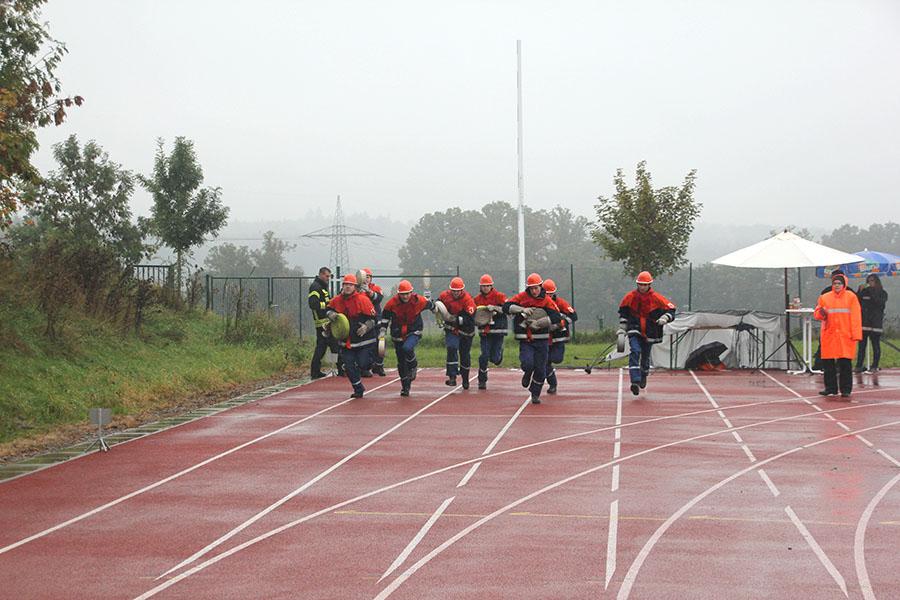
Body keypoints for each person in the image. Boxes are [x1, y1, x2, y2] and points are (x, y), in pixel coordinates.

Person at [503, 273, 562, 404]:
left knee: (541, 369)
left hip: (542, 339)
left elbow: (556, 317)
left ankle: (535, 393)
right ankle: (527, 373)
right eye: (531, 288)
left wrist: (539, 323)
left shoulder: (547, 300)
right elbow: (506, 307)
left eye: (536, 288)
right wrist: (521, 309)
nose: (534, 291)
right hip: (526, 339)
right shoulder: (522, 297)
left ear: (541, 286)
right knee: (527, 363)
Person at [618, 271, 676, 396]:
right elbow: (623, 312)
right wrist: (622, 328)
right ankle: (635, 381)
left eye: (645, 284)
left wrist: (665, 318)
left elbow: (671, 310)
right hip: (634, 328)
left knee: (645, 357)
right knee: (635, 351)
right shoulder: (630, 297)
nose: (642, 287)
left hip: (650, 331)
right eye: (640, 284)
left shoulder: (657, 298)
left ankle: (643, 374)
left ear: (649, 284)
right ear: (637, 284)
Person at [326, 273, 377, 398]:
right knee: (348, 366)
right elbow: (327, 309)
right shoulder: (337, 300)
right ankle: (358, 388)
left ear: (355, 287)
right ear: (342, 286)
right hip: (346, 341)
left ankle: (373, 362)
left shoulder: (363, 300)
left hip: (363, 341)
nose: (348, 287)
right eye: (345, 284)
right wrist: (330, 314)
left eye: (350, 285)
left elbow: (374, 318)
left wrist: (366, 326)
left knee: (362, 364)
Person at [380, 279, 435, 396]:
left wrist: (438, 311)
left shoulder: (419, 300)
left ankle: (413, 365)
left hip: (414, 330)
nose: (405, 296)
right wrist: (383, 331)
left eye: (407, 293)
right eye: (403, 294)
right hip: (397, 333)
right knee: (401, 362)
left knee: (407, 348)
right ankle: (405, 386)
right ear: (398, 294)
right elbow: (385, 318)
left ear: (411, 292)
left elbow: (431, 305)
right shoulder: (391, 304)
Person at [814, 272, 862, 397]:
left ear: (844, 284)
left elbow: (856, 317)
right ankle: (830, 388)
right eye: (834, 283)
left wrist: (856, 335)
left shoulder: (851, 297)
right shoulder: (824, 297)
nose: (836, 285)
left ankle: (846, 389)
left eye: (839, 283)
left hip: (845, 335)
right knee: (828, 363)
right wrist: (821, 313)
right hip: (829, 335)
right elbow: (817, 314)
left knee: (845, 363)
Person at [438, 277, 476, 388]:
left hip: (466, 331)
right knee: (451, 347)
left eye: (458, 291)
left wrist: (456, 319)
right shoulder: (444, 296)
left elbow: (470, 319)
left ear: (462, 290)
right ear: (450, 290)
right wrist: (437, 310)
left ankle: (465, 379)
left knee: (464, 355)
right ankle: (452, 377)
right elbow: (438, 303)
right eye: (453, 291)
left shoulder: (468, 300)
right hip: (451, 329)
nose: (455, 293)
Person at [542, 278, 577, 395]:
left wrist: (562, 322)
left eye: (550, 294)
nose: (548, 296)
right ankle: (552, 384)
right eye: (546, 294)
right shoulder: (539, 303)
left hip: (558, 337)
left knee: (557, 358)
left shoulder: (561, 303)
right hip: (544, 337)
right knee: (544, 362)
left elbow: (573, 316)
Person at [473, 274, 508, 390]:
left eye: (487, 286)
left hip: (498, 331)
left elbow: (507, 308)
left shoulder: (499, 296)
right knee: (484, 356)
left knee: (495, 359)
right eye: (483, 286)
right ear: (480, 287)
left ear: (491, 286)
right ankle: (482, 380)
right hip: (485, 332)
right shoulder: (477, 299)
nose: (485, 288)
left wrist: (496, 308)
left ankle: (499, 355)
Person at [308, 266, 343, 379]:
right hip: (322, 323)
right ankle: (340, 369)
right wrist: (327, 305)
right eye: (327, 276)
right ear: (321, 274)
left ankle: (316, 371)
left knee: (326, 347)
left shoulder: (322, 286)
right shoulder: (315, 287)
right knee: (331, 346)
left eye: (329, 276)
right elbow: (313, 304)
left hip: (327, 322)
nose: (328, 278)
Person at [856, 274, 888, 372]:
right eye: (868, 281)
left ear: (877, 281)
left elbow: (879, 303)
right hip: (864, 323)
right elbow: (856, 302)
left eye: (872, 280)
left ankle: (874, 365)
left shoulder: (882, 293)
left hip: (875, 323)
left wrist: (872, 292)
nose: (870, 283)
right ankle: (859, 365)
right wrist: (859, 291)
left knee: (875, 345)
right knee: (862, 346)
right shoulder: (864, 292)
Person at [359, 267, 386, 377]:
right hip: (364, 321)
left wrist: (369, 291)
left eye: (368, 277)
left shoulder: (375, 288)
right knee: (366, 345)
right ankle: (365, 367)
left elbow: (378, 298)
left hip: (377, 320)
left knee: (381, 343)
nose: (366, 279)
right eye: (364, 277)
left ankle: (379, 365)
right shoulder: (356, 289)